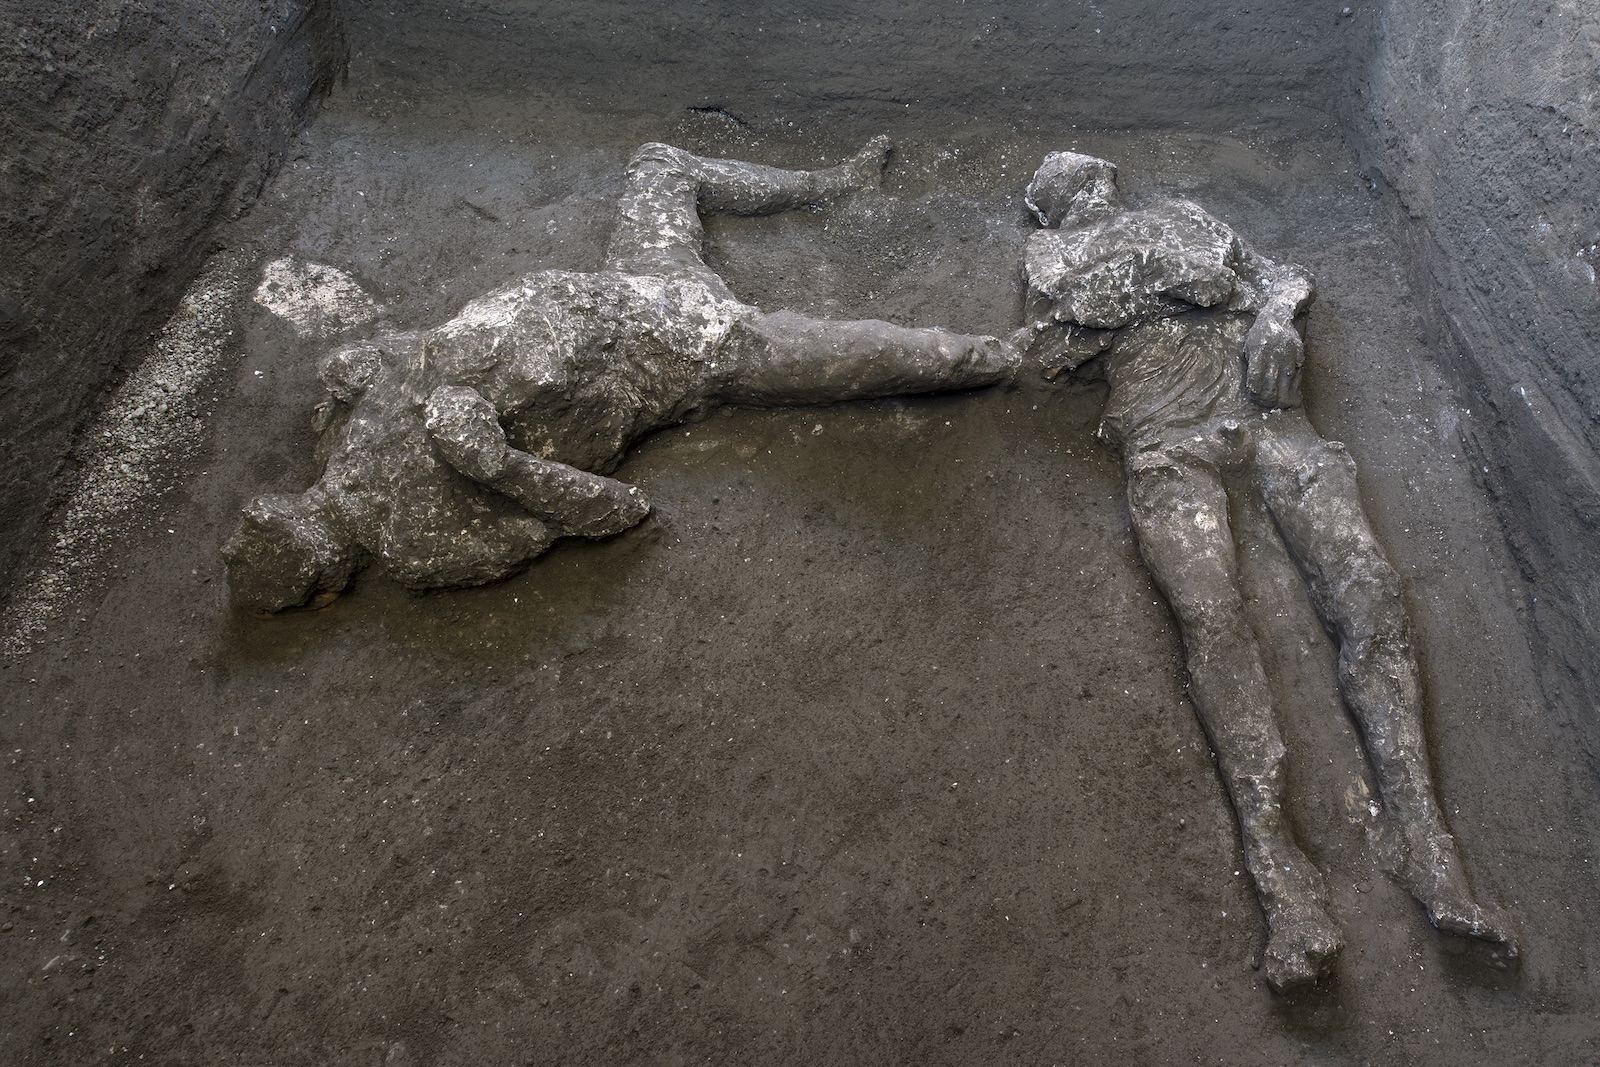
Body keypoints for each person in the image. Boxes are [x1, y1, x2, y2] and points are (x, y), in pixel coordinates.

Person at [1017, 150, 1515, 991]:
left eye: (1097, 172)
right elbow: (1061, 329)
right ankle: (1279, 868)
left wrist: (1275, 318)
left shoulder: (1184, 212)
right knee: (1212, 620)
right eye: (1072, 182)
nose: (1093, 183)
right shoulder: (1049, 255)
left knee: (1373, 599)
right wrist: (1188, 278)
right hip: (1167, 441)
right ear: (1052, 206)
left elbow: (1277, 275)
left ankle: (1427, 845)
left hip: (1272, 421)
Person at [223, 139, 1018, 612]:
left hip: (627, 282)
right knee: (921, 357)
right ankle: (1024, 352)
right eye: (320, 518)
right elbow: (618, 511)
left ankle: (831, 184)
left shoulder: (338, 443)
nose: (327, 493)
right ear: (333, 574)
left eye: (307, 497)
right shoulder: (423, 549)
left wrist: (366, 364)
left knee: (661, 162)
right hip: (682, 350)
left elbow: (388, 359)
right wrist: (496, 463)